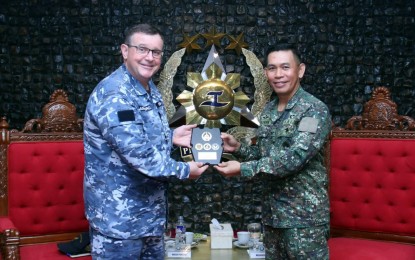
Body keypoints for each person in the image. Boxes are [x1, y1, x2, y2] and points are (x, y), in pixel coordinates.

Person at [83, 23, 208, 260]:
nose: (149, 58)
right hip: (119, 224)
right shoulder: (115, 94)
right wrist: (184, 170)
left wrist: (172, 137)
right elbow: (139, 155)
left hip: (148, 218)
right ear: (125, 50)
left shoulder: (149, 88)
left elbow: (138, 138)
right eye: (142, 49)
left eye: (156, 52)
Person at [215, 44, 331, 259]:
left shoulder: (313, 110)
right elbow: (264, 153)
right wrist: (238, 148)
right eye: (272, 68)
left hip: (303, 220)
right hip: (273, 216)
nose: (278, 75)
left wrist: (243, 169)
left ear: (300, 70)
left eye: (285, 67)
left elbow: (295, 157)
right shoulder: (268, 110)